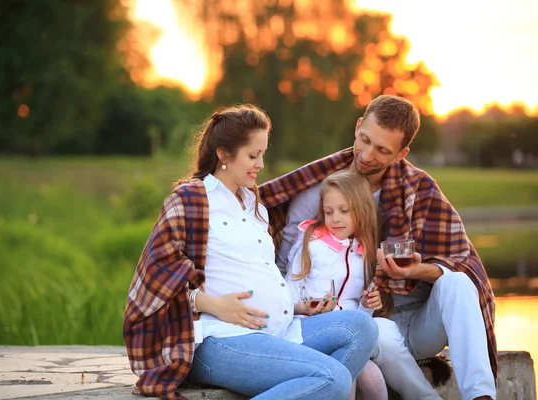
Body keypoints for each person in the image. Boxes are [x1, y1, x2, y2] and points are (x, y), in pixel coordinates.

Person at [123, 104, 378, 400]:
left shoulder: (254, 205)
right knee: (333, 378)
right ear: (223, 154)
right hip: (222, 339)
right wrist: (211, 304)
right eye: (252, 155)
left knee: (362, 327)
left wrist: (296, 307)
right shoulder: (192, 200)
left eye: (263, 155)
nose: (260, 164)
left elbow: (256, 274)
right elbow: (153, 279)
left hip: (282, 331)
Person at [259, 95, 497, 400]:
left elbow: (463, 261)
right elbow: (283, 267)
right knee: (373, 329)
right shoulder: (320, 193)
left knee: (459, 282)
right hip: (364, 323)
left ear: (402, 153)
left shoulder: (420, 190)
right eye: (364, 140)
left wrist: (415, 269)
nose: (368, 155)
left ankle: (481, 396)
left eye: (383, 150)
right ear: (358, 127)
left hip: (419, 324)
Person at [285, 170, 390, 400]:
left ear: (361, 210)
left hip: (350, 337)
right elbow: (287, 295)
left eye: (344, 211)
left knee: (374, 380)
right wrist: (304, 308)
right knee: (345, 379)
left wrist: (367, 303)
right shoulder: (311, 243)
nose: (335, 218)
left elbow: (360, 315)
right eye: (329, 211)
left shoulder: (364, 252)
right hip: (311, 331)